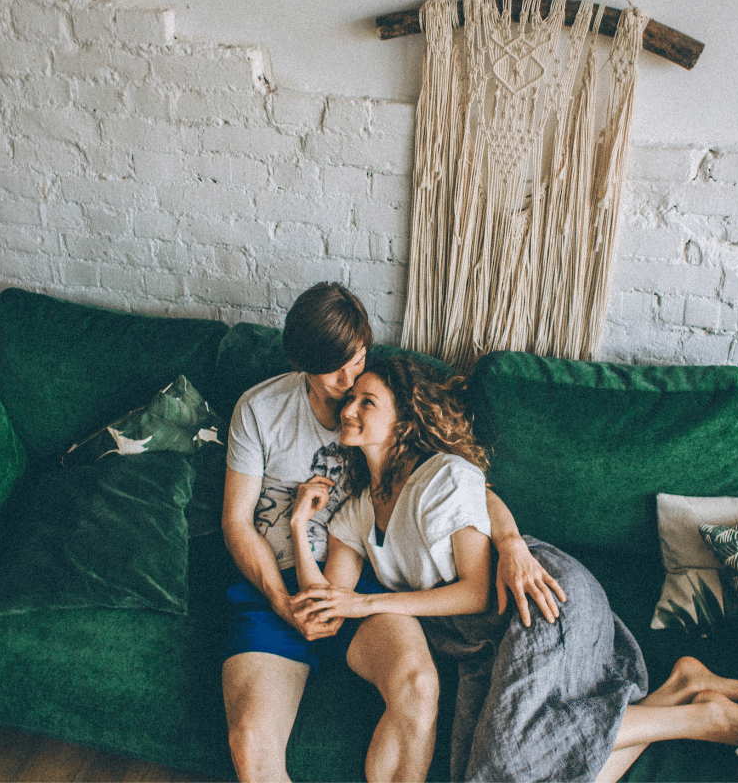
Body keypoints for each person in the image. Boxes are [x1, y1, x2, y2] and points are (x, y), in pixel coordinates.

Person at [288, 355, 738, 782]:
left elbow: (475, 592)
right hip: (486, 638)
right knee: (503, 768)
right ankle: (680, 688)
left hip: (537, 596)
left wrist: (368, 603)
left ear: (404, 419)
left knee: (509, 763)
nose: (348, 409)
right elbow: (328, 608)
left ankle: (705, 718)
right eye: (348, 397)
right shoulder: (356, 508)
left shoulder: (441, 476)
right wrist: (297, 524)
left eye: (367, 401)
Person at [220, 282, 565, 783]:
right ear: (301, 364)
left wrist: (510, 542)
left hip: (363, 583)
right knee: (251, 743)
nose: (348, 380)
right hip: (273, 585)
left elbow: (462, 482)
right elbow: (235, 522)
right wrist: (280, 599)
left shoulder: (382, 404)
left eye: (357, 359)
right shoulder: (259, 410)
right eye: (334, 368)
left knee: (419, 685)